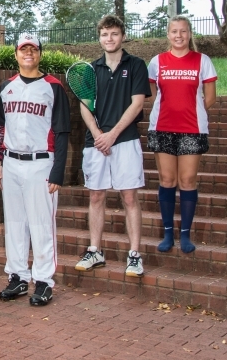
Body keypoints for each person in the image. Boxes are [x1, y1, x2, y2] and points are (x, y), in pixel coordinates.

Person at [0, 34, 71, 306]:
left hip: (41, 163)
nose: (28, 53)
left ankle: (44, 281)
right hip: (11, 162)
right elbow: (0, 128)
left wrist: (58, 171)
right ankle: (18, 277)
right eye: (23, 49)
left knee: (41, 226)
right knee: (14, 224)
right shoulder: (6, 86)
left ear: (40, 54)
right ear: (16, 54)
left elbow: (62, 132)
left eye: (33, 49)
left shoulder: (53, 87)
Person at [75, 15, 151, 277]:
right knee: (96, 196)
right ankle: (95, 250)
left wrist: (113, 135)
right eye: (105, 34)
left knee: (129, 197)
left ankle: (134, 255)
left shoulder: (137, 65)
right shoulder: (90, 70)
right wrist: (99, 135)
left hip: (125, 141)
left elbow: (137, 103)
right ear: (99, 37)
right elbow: (84, 107)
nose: (110, 38)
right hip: (95, 144)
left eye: (114, 34)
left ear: (123, 36)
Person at [148, 16, 217, 253]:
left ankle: (185, 235)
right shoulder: (157, 62)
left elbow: (210, 97)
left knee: (187, 181)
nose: (179, 36)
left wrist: (191, 111)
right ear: (168, 35)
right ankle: (168, 234)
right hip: (162, 128)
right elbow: (153, 94)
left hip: (192, 129)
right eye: (174, 31)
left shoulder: (202, 60)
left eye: (183, 31)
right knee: (167, 180)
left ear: (189, 34)